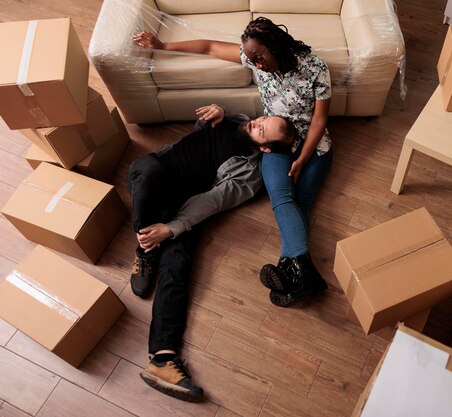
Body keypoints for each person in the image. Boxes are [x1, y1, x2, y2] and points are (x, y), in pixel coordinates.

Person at [133, 17, 333, 307]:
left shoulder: (315, 67)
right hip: (276, 146)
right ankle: (303, 275)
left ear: (276, 46)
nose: (256, 65)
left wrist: (302, 157)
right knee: (282, 200)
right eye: (251, 59)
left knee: (301, 201)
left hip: (313, 147)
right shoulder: (255, 60)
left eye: (260, 57)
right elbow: (210, 47)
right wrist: (162, 45)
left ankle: (294, 275)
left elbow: (319, 120)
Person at [128, 104, 295, 402]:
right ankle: (145, 248)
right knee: (148, 170)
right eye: (263, 119)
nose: (257, 122)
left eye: (262, 129)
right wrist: (215, 115)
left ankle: (163, 358)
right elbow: (198, 138)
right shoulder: (236, 120)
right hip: (155, 173)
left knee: (178, 263)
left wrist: (173, 228)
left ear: (266, 150)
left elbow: (214, 200)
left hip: (183, 207)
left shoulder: (249, 176)